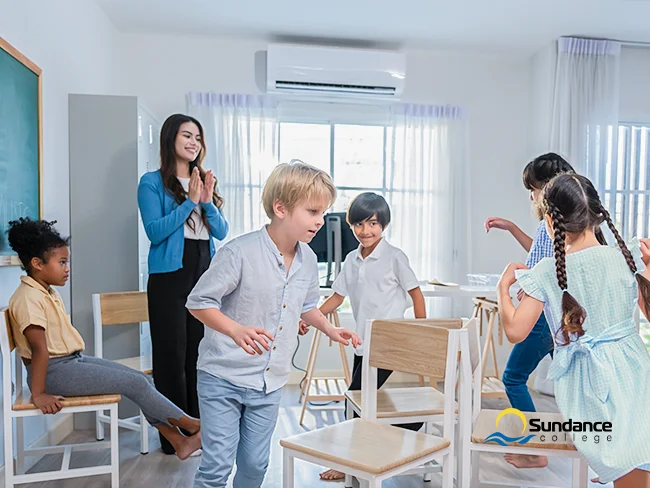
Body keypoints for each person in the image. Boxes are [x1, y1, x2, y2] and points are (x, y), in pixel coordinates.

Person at [186, 161, 361, 488]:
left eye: (323, 213)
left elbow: (306, 305)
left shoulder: (308, 259)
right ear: (280, 208)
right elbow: (199, 302)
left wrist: (329, 329)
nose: (320, 221)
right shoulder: (239, 252)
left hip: (269, 381)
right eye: (312, 211)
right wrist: (235, 330)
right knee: (217, 465)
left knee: (254, 465)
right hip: (222, 376)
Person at [497, 174, 650, 487]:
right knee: (639, 454)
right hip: (633, 372)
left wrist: (503, 288)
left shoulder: (546, 271)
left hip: (585, 383)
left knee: (626, 457)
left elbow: (515, 331)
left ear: (550, 224)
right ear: (596, 215)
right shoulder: (625, 256)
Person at [7, 218, 202, 460]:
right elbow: (38, 351)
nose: (67, 269)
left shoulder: (45, 291)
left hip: (70, 362)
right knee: (138, 384)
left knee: (139, 379)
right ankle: (193, 426)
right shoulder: (28, 298)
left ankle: (179, 441)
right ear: (37, 263)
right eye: (62, 262)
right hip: (53, 373)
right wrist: (39, 394)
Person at [313, 192, 426, 482]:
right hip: (362, 342)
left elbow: (416, 294)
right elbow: (338, 296)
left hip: (389, 341)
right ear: (351, 226)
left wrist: (421, 330)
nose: (365, 231)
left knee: (355, 400)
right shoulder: (352, 260)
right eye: (359, 225)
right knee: (361, 400)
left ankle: (350, 462)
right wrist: (313, 317)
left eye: (373, 223)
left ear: (384, 225)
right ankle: (412, 425)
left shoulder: (394, 257)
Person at [137, 113, 228, 454]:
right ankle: (172, 437)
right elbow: (155, 232)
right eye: (187, 136)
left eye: (198, 138)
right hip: (168, 276)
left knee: (195, 355)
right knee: (170, 356)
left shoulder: (203, 179)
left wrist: (205, 201)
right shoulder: (151, 182)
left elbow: (220, 231)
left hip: (202, 270)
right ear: (170, 139)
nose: (193, 143)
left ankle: (197, 431)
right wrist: (189, 201)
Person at [485, 152, 574, 468]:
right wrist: (511, 228)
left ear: (549, 187)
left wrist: (517, 287)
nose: (532, 196)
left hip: (541, 315)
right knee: (570, 382)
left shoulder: (556, 221)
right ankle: (591, 451)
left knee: (512, 377)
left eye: (534, 189)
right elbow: (539, 255)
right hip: (559, 317)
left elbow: (548, 267)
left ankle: (536, 450)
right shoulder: (559, 223)